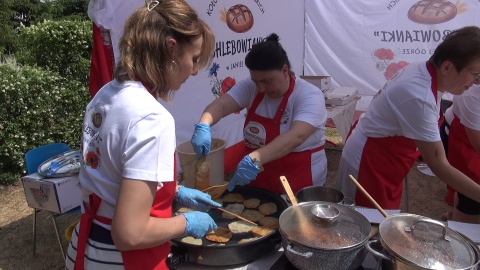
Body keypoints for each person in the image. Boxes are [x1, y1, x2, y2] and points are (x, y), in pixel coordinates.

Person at [65, 1, 221, 269]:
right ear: (171, 47)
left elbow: (111, 176)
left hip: (86, 248)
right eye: (194, 59)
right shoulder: (151, 118)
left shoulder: (106, 96)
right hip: (121, 260)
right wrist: (186, 222)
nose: (194, 70)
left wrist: (174, 191)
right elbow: (130, 233)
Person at [334, 26, 480, 210]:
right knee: (366, 225)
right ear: (447, 67)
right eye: (475, 74)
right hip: (369, 162)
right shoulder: (418, 94)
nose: (477, 82)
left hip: (384, 157)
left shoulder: (427, 72)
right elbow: (439, 165)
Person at [191, 33, 327, 195]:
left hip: (299, 180)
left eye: (266, 81)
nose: (261, 88)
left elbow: (295, 137)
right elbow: (221, 105)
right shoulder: (251, 87)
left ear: (285, 70)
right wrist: (204, 125)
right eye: (256, 81)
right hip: (259, 178)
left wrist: (254, 158)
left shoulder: (309, 95)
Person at [439, 83, 480, 223]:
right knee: (472, 198)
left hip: (469, 136)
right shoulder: (472, 93)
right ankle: (461, 226)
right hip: (464, 141)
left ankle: (455, 218)